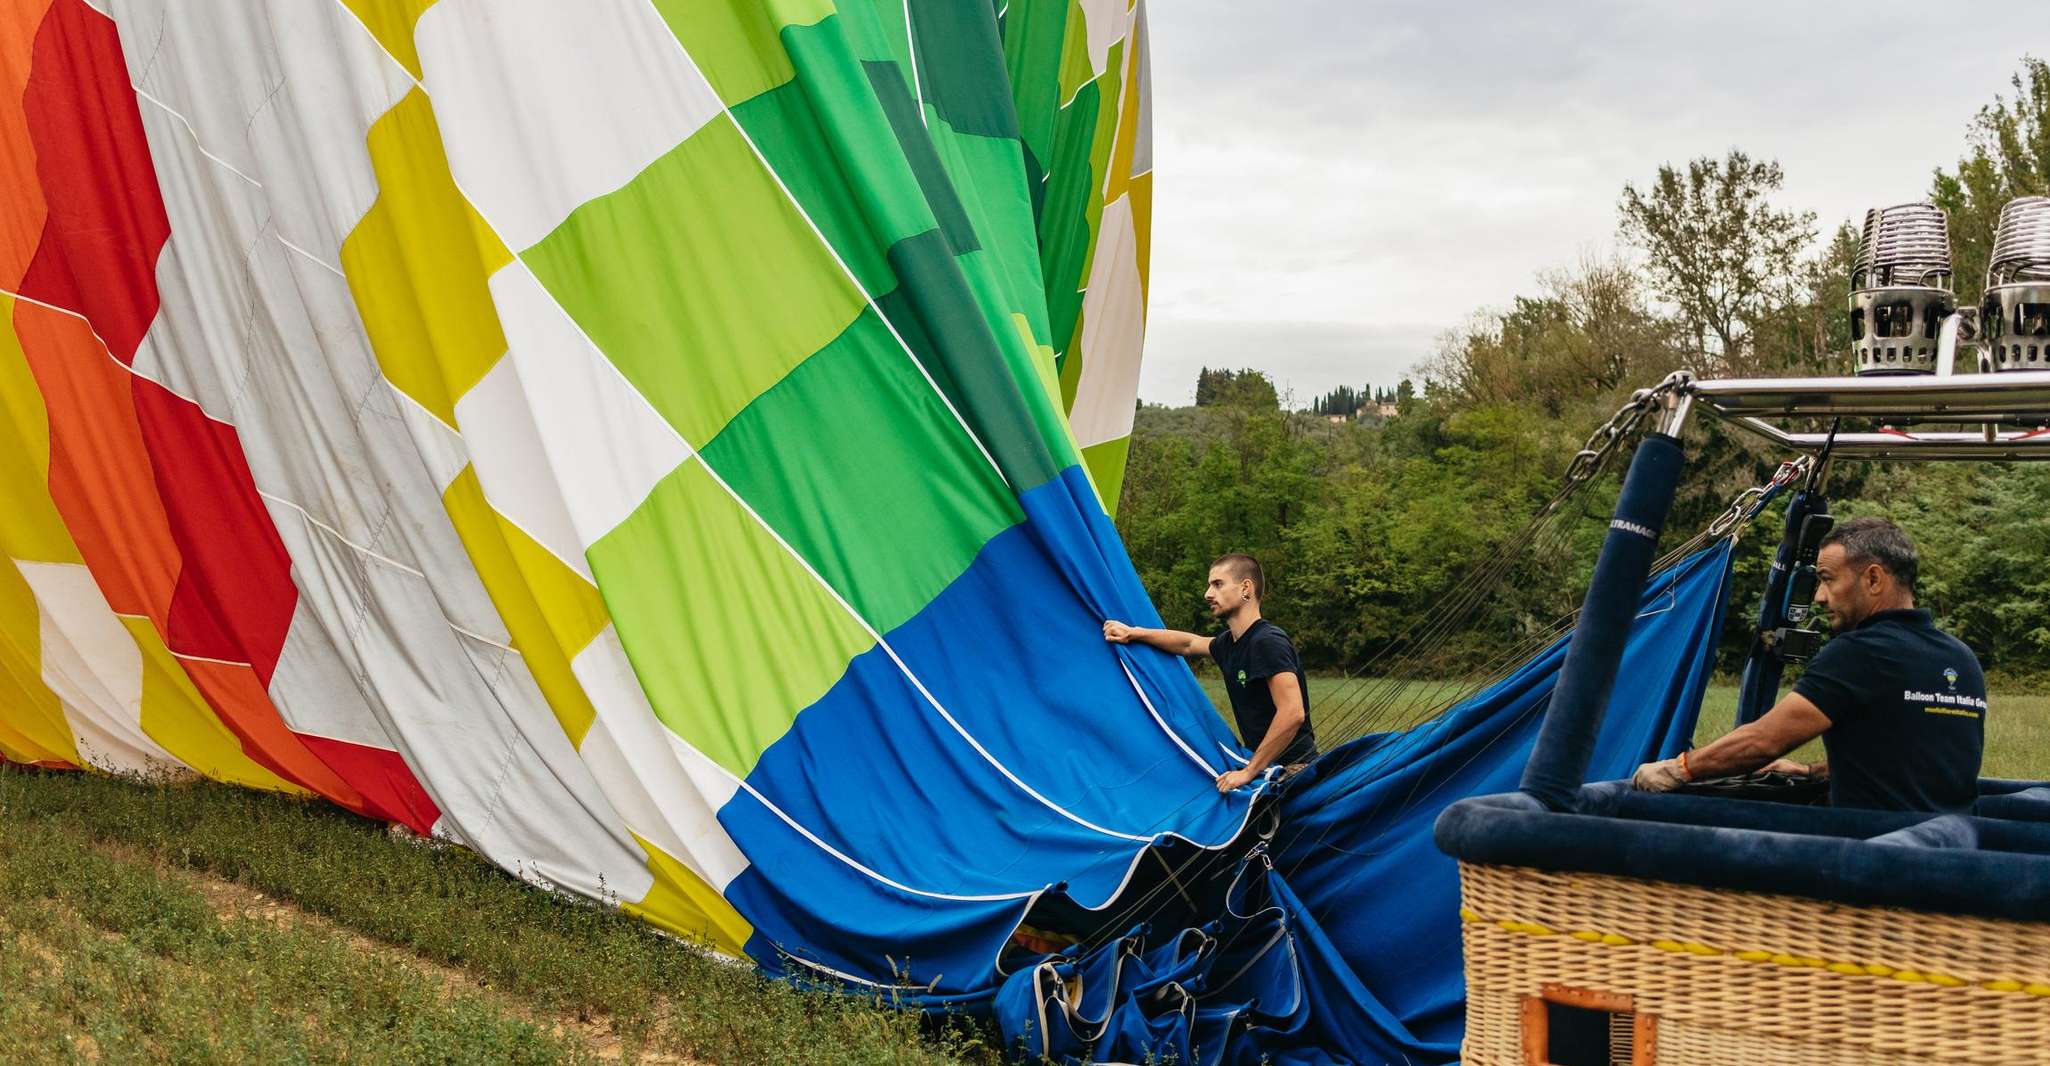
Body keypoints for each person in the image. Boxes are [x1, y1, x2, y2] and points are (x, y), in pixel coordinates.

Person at [1632, 517, 1985, 812]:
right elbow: (1912, 767)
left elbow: (1763, 741)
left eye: (1827, 579)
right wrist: (1811, 771)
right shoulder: (1962, 658)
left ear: (1874, 579)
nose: (1818, 596)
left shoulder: (1858, 652)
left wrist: (1679, 768)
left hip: (1874, 854)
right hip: (1952, 847)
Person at [1103, 553, 1317, 792]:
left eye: (1218, 584)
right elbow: (1188, 644)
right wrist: (1134, 633)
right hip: (1266, 768)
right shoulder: (1230, 644)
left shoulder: (1267, 642)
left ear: (1246, 588)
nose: (1208, 594)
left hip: (1294, 771)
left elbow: (1292, 712)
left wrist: (1249, 772)